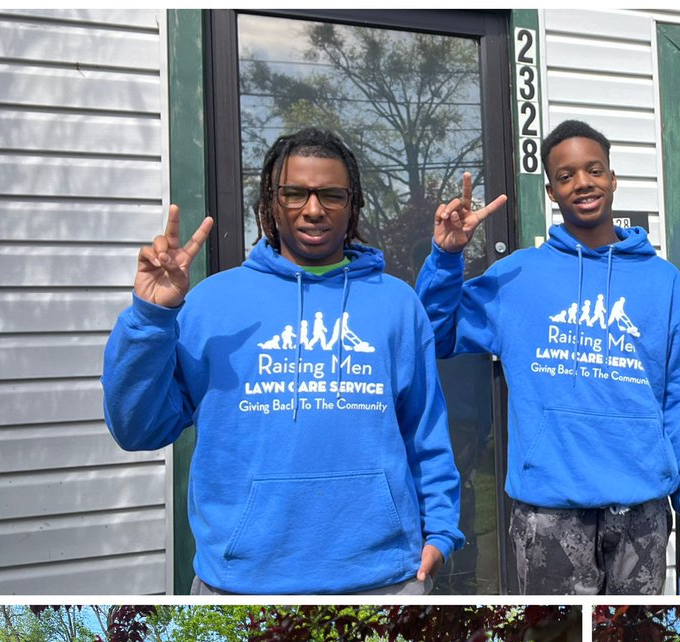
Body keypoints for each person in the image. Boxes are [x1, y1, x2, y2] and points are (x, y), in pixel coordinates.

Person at [103, 128, 464, 595]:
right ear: (271, 202)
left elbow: (424, 429)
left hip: (385, 578)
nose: (313, 209)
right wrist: (151, 316)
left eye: (331, 195)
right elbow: (137, 428)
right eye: (295, 194)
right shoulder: (212, 303)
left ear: (352, 203)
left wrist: (440, 530)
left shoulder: (396, 304)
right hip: (242, 585)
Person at [414, 120, 680, 595]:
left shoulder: (663, 281)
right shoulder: (517, 277)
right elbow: (432, 333)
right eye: (566, 175)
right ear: (551, 190)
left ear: (613, 178)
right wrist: (446, 258)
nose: (583, 183)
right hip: (547, 514)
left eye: (594, 170)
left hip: (642, 511)